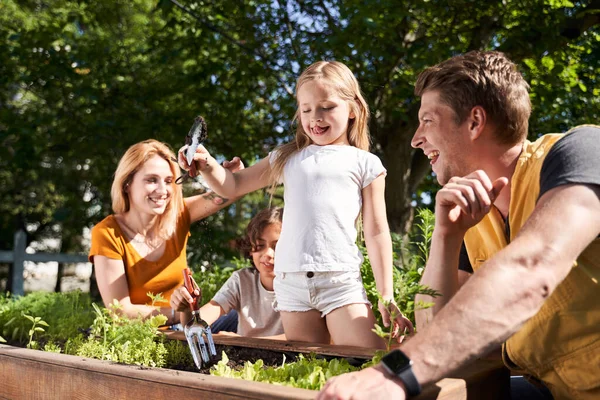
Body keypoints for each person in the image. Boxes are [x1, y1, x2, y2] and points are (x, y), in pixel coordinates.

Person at [317, 51, 599, 400]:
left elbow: (533, 266)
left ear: (475, 121)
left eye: (428, 121)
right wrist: (446, 237)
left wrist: (395, 374)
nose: (415, 139)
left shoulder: (581, 151)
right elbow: (434, 329)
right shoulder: (471, 219)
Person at [179, 61, 413, 348]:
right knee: (306, 365)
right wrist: (205, 164)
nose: (315, 117)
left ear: (353, 109)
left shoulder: (365, 163)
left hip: (339, 281)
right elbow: (233, 185)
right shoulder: (286, 157)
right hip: (291, 284)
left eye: (327, 107)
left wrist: (386, 294)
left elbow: (377, 231)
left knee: (364, 358)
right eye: (306, 109)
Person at [88, 139, 243, 329]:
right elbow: (120, 311)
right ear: (127, 183)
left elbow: (228, 194)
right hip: (146, 334)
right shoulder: (108, 233)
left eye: (168, 181)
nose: (163, 191)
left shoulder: (177, 214)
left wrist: (232, 177)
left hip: (185, 325)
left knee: (245, 314)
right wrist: (177, 314)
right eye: (152, 180)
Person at [170, 206, 285, 338]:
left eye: (278, 247)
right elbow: (196, 326)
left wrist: (244, 341)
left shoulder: (301, 285)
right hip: (245, 357)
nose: (268, 254)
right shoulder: (242, 280)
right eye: (259, 245)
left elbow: (304, 337)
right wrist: (187, 310)